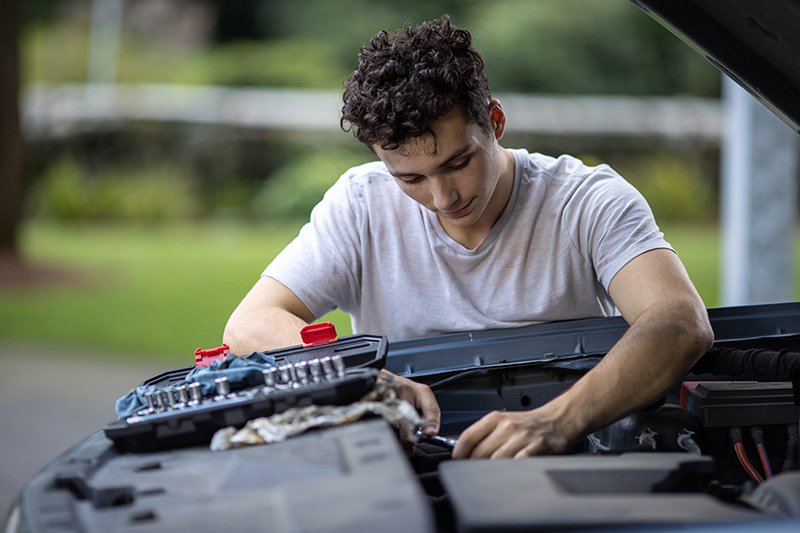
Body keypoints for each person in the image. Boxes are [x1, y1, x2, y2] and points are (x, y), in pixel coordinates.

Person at [223, 15, 713, 459]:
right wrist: (360, 376)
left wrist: (558, 420)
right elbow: (250, 325)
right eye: (409, 178)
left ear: (495, 122)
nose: (441, 198)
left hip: (578, 449)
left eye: (457, 163)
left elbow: (678, 320)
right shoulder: (360, 205)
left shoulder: (586, 201)